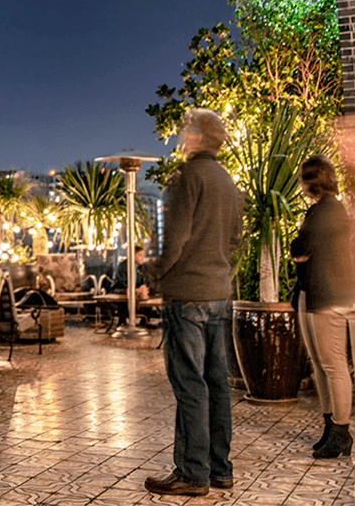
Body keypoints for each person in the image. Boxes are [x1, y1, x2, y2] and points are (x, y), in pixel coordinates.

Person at [141, 108, 242, 497]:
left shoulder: (186, 177)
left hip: (187, 297)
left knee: (189, 384)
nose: (182, 135)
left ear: (197, 137)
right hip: (219, 293)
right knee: (217, 384)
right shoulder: (227, 181)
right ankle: (220, 469)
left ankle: (192, 473)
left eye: (186, 130)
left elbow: (175, 241)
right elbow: (234, 240)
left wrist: (151, 275)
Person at [290, 154, 354, 459]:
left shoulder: (325, 212)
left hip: (327, 296)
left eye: (303, 178)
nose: (300, 184)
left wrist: (301, 251)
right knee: (321, 364)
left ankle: (341, 431)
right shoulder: (327, 210)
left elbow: (299, 248)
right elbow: (302, 251)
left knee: (332, 364)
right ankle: (331, 426)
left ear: (311, 180)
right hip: (317, 293)